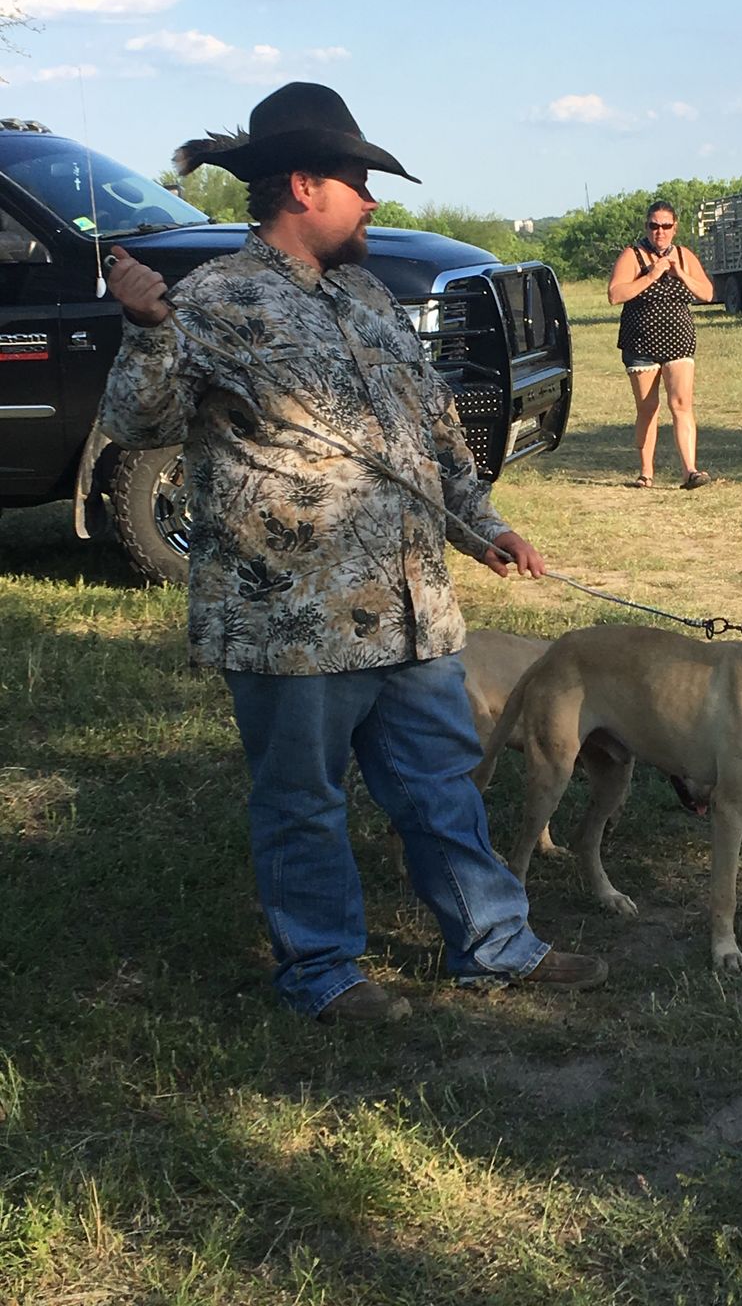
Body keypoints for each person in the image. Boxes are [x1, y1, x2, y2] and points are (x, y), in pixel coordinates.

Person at [100, 82, 607, 1025]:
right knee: (302, 803)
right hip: (293, 619)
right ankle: (323, 973)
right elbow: (140, 421)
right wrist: (145, 331)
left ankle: (494, 945)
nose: (373, 200)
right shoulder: (212, 301)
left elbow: (431, 435)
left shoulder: (369, 297)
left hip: (411, 607)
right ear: (303, 186)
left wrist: (483, 524)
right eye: (357, 181)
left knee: (443, 785)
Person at [607, 201, 714, 489]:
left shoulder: (684, 256)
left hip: (678, 340)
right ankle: (646, 473)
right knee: (648, 408)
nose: (660, 232)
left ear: (675, 228)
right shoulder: (632, 255)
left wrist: (681, 274)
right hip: (641, 342)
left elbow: (707, 293)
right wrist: (651, 275)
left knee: (681, 404)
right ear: (647, 227)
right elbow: (615, 294)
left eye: (666, 226)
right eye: (654, 226)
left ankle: (690, 471)